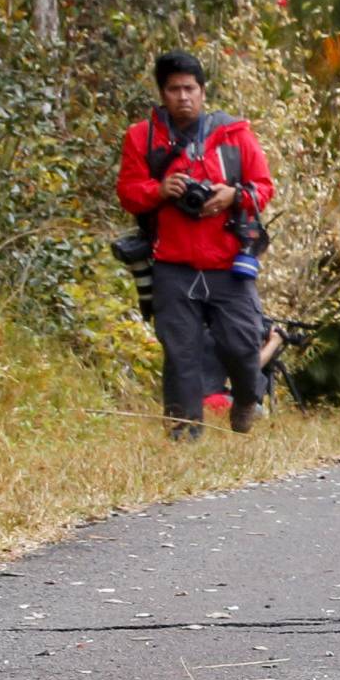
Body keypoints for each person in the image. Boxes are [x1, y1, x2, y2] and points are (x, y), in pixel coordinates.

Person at [117, 51, 274, 439]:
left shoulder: (234, 135)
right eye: (174, 89)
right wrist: (160, 190)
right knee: (180, 354)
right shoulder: (143, 137)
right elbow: (127, 193)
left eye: (190, 88)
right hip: (171, 262)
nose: (183, 97)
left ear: (203, 92)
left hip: (229, 260)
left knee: (241, 344)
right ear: (162, 93)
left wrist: (232, 196)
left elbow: (264, 188)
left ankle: (245, 399)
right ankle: (182, 436)